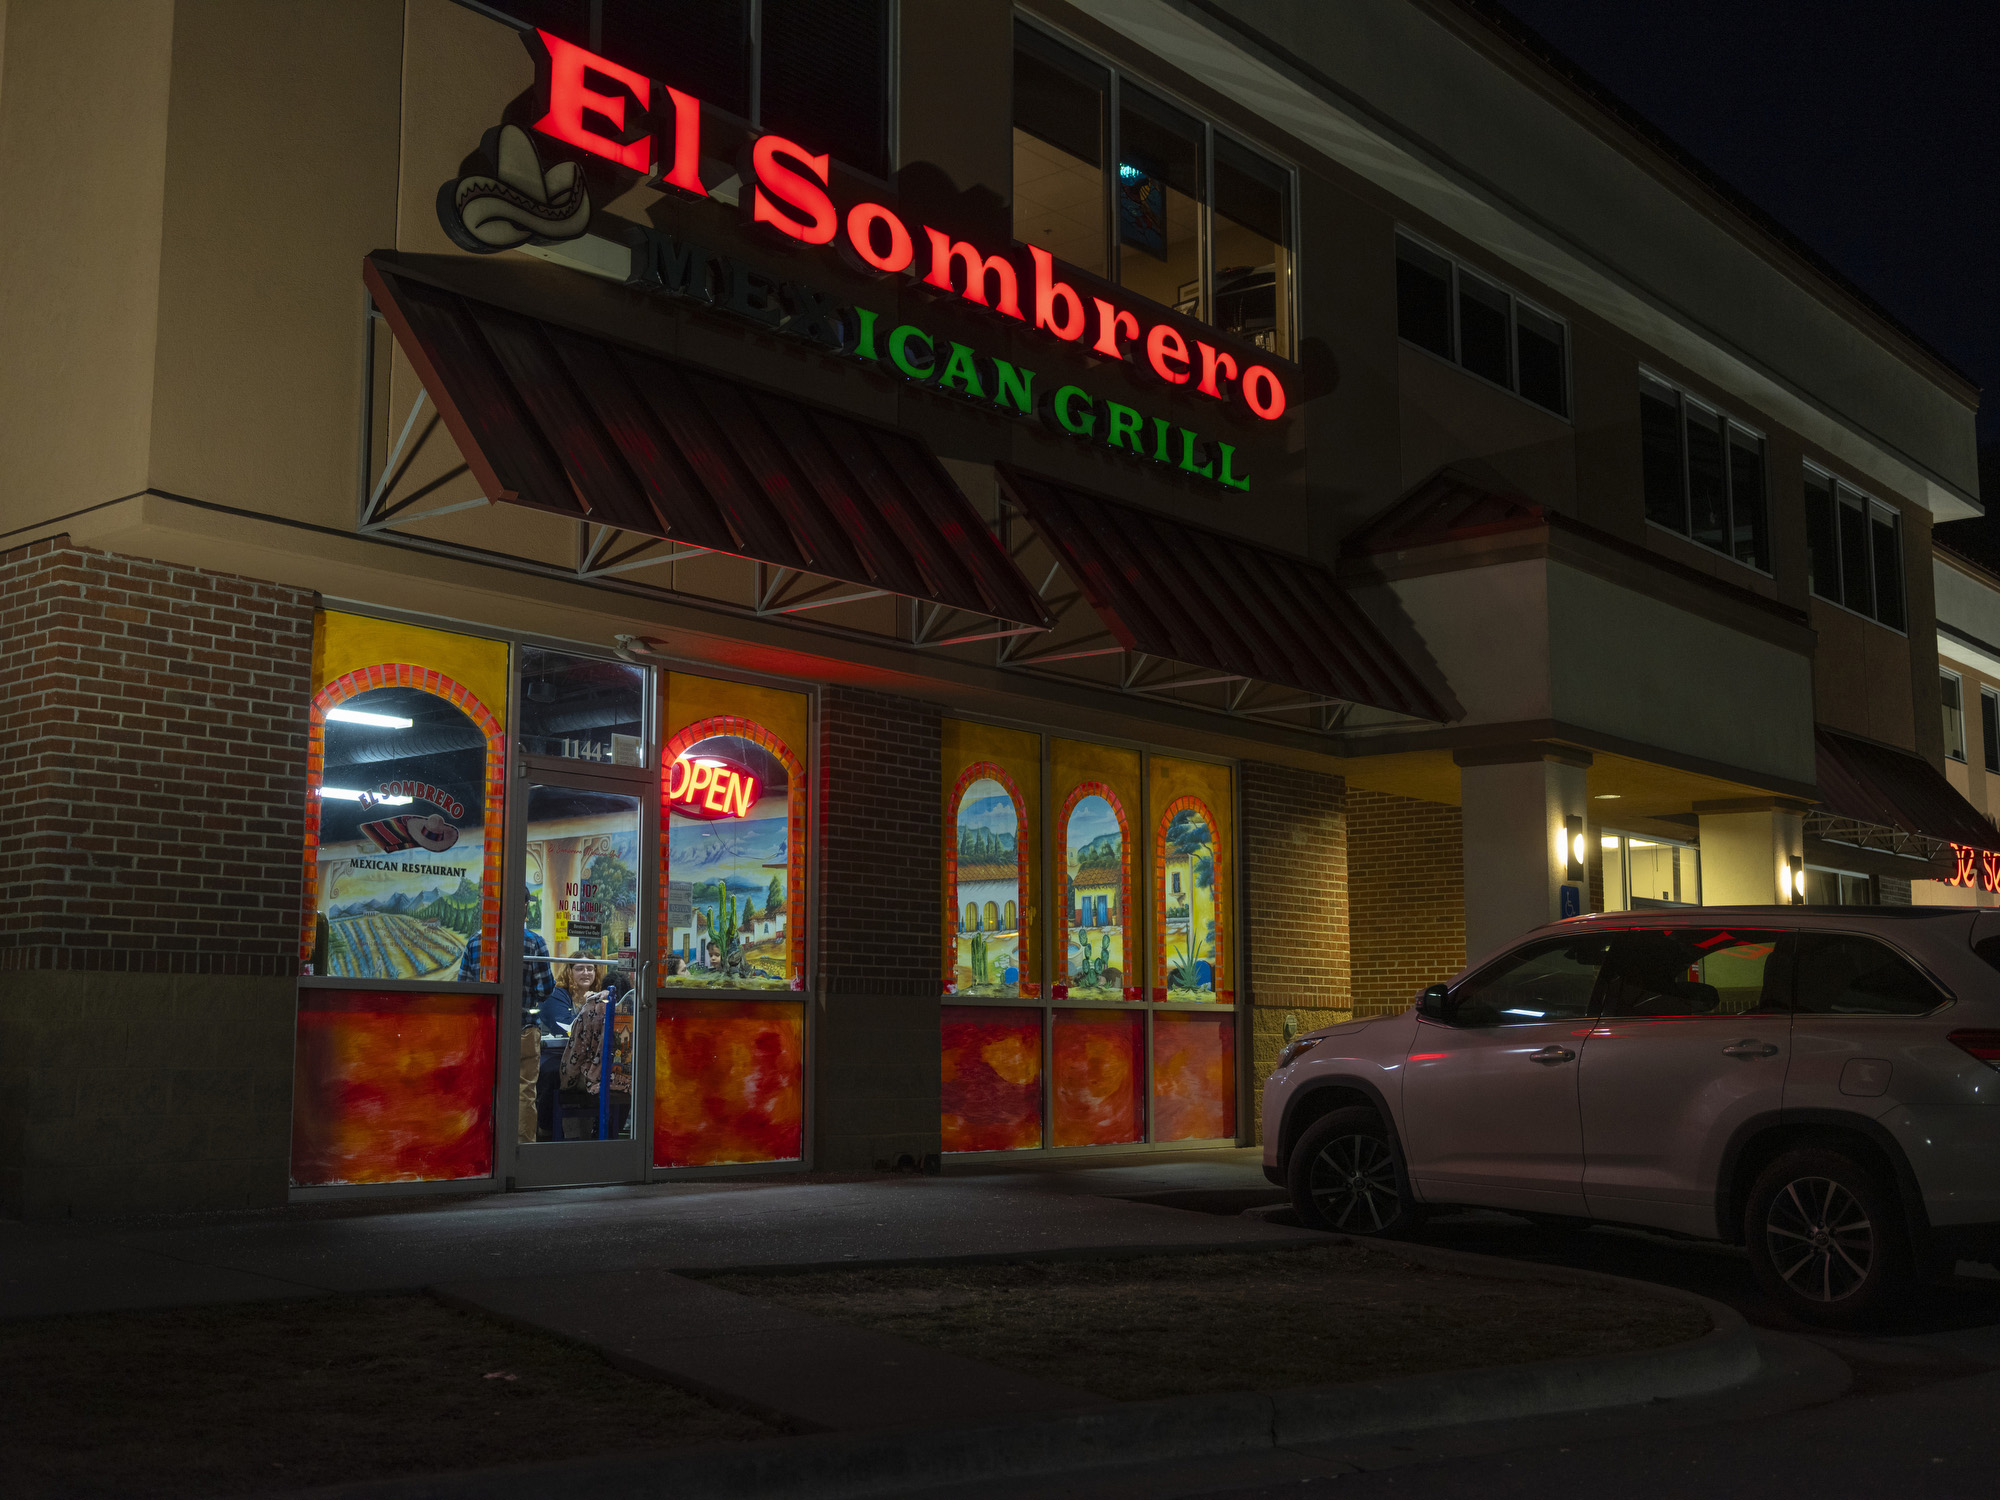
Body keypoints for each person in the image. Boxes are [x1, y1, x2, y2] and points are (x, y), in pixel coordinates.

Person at [458, 893, 554, 1144]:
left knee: (484, 1089)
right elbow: (545, 990)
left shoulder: (475, 942)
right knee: (524, 1092)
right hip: (524, 1029)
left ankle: (484, 1148)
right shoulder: (534, 942)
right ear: (524, 906)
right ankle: (522, 1149)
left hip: (485, 1031)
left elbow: (464, 988)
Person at [560, 964, 633, 1139]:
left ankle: (578, 1139)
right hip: (632, 1082)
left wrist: (565, 1085)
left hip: (597, 1081)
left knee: (565, 1084)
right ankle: (613, 1134)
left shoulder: (592, 1007)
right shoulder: (638, 1009)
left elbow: (575, 1052)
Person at [534, 962, 583, 1141]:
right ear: (569, 971)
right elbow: (563, 1025)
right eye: (579, 968)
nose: (586, 972)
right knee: (553, 1072)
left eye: (591, 968)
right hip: (555, 1051)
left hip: (585, 1055)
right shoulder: (558, 994)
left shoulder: (602, 994)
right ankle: (546, 1130)